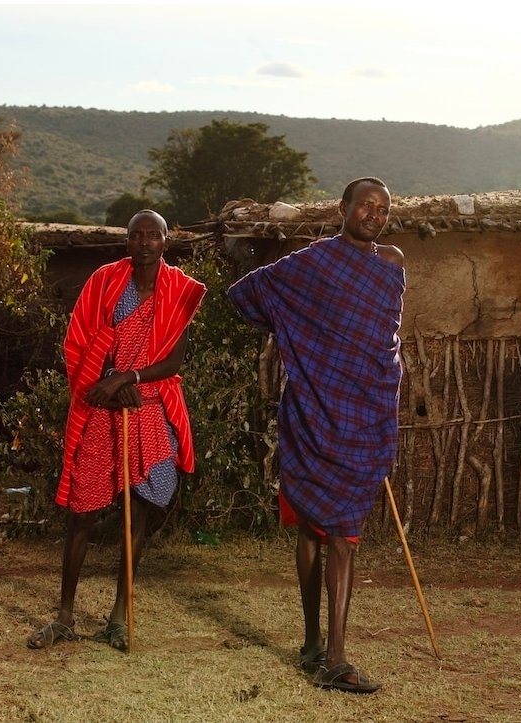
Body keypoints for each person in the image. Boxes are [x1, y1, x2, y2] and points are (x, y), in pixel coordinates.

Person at [227, 177, 405, 693]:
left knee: (339, 536)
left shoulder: (390, 265)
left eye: (382, 209)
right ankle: (329, 655)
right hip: (314, 408)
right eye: (365, 205)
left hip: (363, 412)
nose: (374, 214)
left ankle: (321, 650)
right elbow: (247, 295)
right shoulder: (310, 263)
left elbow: (384, 334)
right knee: (315, 529)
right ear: (343, 208)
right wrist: (295, 330)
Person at [27, 209, 206, 651]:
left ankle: (118, 616)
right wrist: (108, 377)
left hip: (146, 405)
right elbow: (78, 341)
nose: (144, 242)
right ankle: (65, 616)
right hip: (100, 405)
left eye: (153, 236)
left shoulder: (180, 292)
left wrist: (130, 379)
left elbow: (174, 362)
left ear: (166, 241)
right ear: (128, 242)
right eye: (136, 235)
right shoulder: (105, 282)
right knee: (82, 513)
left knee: (138, 511)